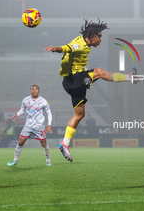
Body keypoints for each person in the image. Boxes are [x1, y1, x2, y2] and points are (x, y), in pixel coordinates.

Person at [45, 19, 138, 162]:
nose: (100, 39)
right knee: (99, 72)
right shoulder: (80, 45)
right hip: (73, 79)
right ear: (91, 36)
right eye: (99, 36)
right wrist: (55, 48)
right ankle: (129, 77)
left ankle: (65, 143)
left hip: (70, 82)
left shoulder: (85, 43)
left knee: (80, 114)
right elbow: (67, 48)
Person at [7, 85, 53, 167]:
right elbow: (22, 110)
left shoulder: (43, 101)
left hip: (39, 126)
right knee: (20, 142)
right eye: (33, 89)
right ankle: (15, 160)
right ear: (30, 91)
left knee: (44, 144)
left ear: (38, 91)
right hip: (28, 125)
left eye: (36, 89)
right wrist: (16, 114)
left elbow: (49, 113)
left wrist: (49, 124)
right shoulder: (26, 100)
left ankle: (48, 160)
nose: (34, 91)